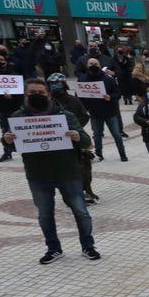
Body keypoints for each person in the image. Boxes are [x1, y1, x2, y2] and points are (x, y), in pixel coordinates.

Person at [2, 79, 99, 265]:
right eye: (32, 93)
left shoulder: (66, 115)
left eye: (41, 92)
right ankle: (53, 249)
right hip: (38, 174)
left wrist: (78, 137)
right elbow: (13, 144)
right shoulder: (17, 117)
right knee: (45, 214)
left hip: (68, 172)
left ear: (49, 94)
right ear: (25, 95)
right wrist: (6, 140)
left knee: (81, 211)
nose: (37, 96)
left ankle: (88, 245)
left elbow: (87, 141)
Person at [46, 73, 98, 204]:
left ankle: (86, 191)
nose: (55, 86)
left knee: (83, 168)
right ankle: (71, 196)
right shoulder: (47, 101)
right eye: (52, 84)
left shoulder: (73, 100)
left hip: (74, 140)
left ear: (64, 84)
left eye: (57, 83)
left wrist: (75, 128)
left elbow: (84, 116)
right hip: (55, 142)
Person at [79, 57, 128, 163]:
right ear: (87, 66)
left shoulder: (108, 79)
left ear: (100, 65)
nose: (93, 66)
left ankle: (122, 154)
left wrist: (110, 97)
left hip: (110, 112)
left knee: (116, 134)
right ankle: (99, 154)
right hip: (95, 113)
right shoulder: (82, 79)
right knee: (97, 135)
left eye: (96, 64)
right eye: (91, 63)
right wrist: (84, 108)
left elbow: (118, 93)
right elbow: (79, 96)